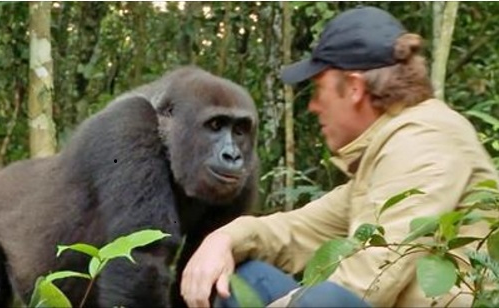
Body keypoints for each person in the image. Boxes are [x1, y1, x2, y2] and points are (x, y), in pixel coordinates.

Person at [180, 6, 498, 308]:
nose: (313, 107)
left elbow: (371, 279)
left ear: (354, 88)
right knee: (241, 279)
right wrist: (223, 239)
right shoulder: (387, 151)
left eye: (319, 90)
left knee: (326, 300)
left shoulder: (425, 139)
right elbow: (296, 230)